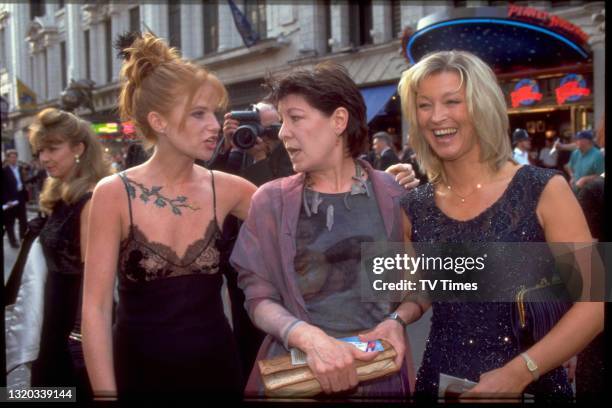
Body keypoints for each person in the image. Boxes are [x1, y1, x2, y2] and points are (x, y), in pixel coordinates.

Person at [397, 50, 603, 400]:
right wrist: (396, 320)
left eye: (452, 101)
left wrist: (520, 371)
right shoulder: (412, 206)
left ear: (482, 107)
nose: (437, 117)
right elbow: (421, 290)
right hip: (440, 385)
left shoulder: (545, 188)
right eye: (424, 105)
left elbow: (595, 303)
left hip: (533, 388)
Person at [82, 33, 256, 401]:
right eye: (198, 113)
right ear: (158, 121)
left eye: (215, 112)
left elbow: (304, 228)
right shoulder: (114, 194)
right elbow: (95, 309)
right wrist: (105, 395)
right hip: (138, 377)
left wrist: (382, 184)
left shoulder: (231, 189)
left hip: (219, 374)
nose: (214, 124)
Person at [230, 61, 417, 398]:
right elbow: (258, 296)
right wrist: (306, 336)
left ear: (339, 121)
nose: (284, 132)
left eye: (296, 118)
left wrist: (398, 321)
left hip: (381, 379)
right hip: (298, 380)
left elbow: (422, 281)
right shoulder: (270, 201)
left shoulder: (392, 194)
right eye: (282, 120)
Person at [27, 108, 111, 401]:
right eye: (40, 151)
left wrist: (78, 338)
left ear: (78, 148)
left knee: (62, 394)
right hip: (51, 317)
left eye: (52, 148)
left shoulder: (91, 200)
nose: (44, 158)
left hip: (74, 326)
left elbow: (94, 282)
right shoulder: (62, 193)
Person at [2, 149, 30, 248]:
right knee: (10, 222)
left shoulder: (19, 168)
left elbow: (24, 178)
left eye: (15, 157)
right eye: (11, 157)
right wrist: (5, 201)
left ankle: (23, 238)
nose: (14, 159)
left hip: (20, 196)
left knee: (23, 220)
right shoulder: (4, 170)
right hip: (10, 199)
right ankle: (13, 242)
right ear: (8, 158)